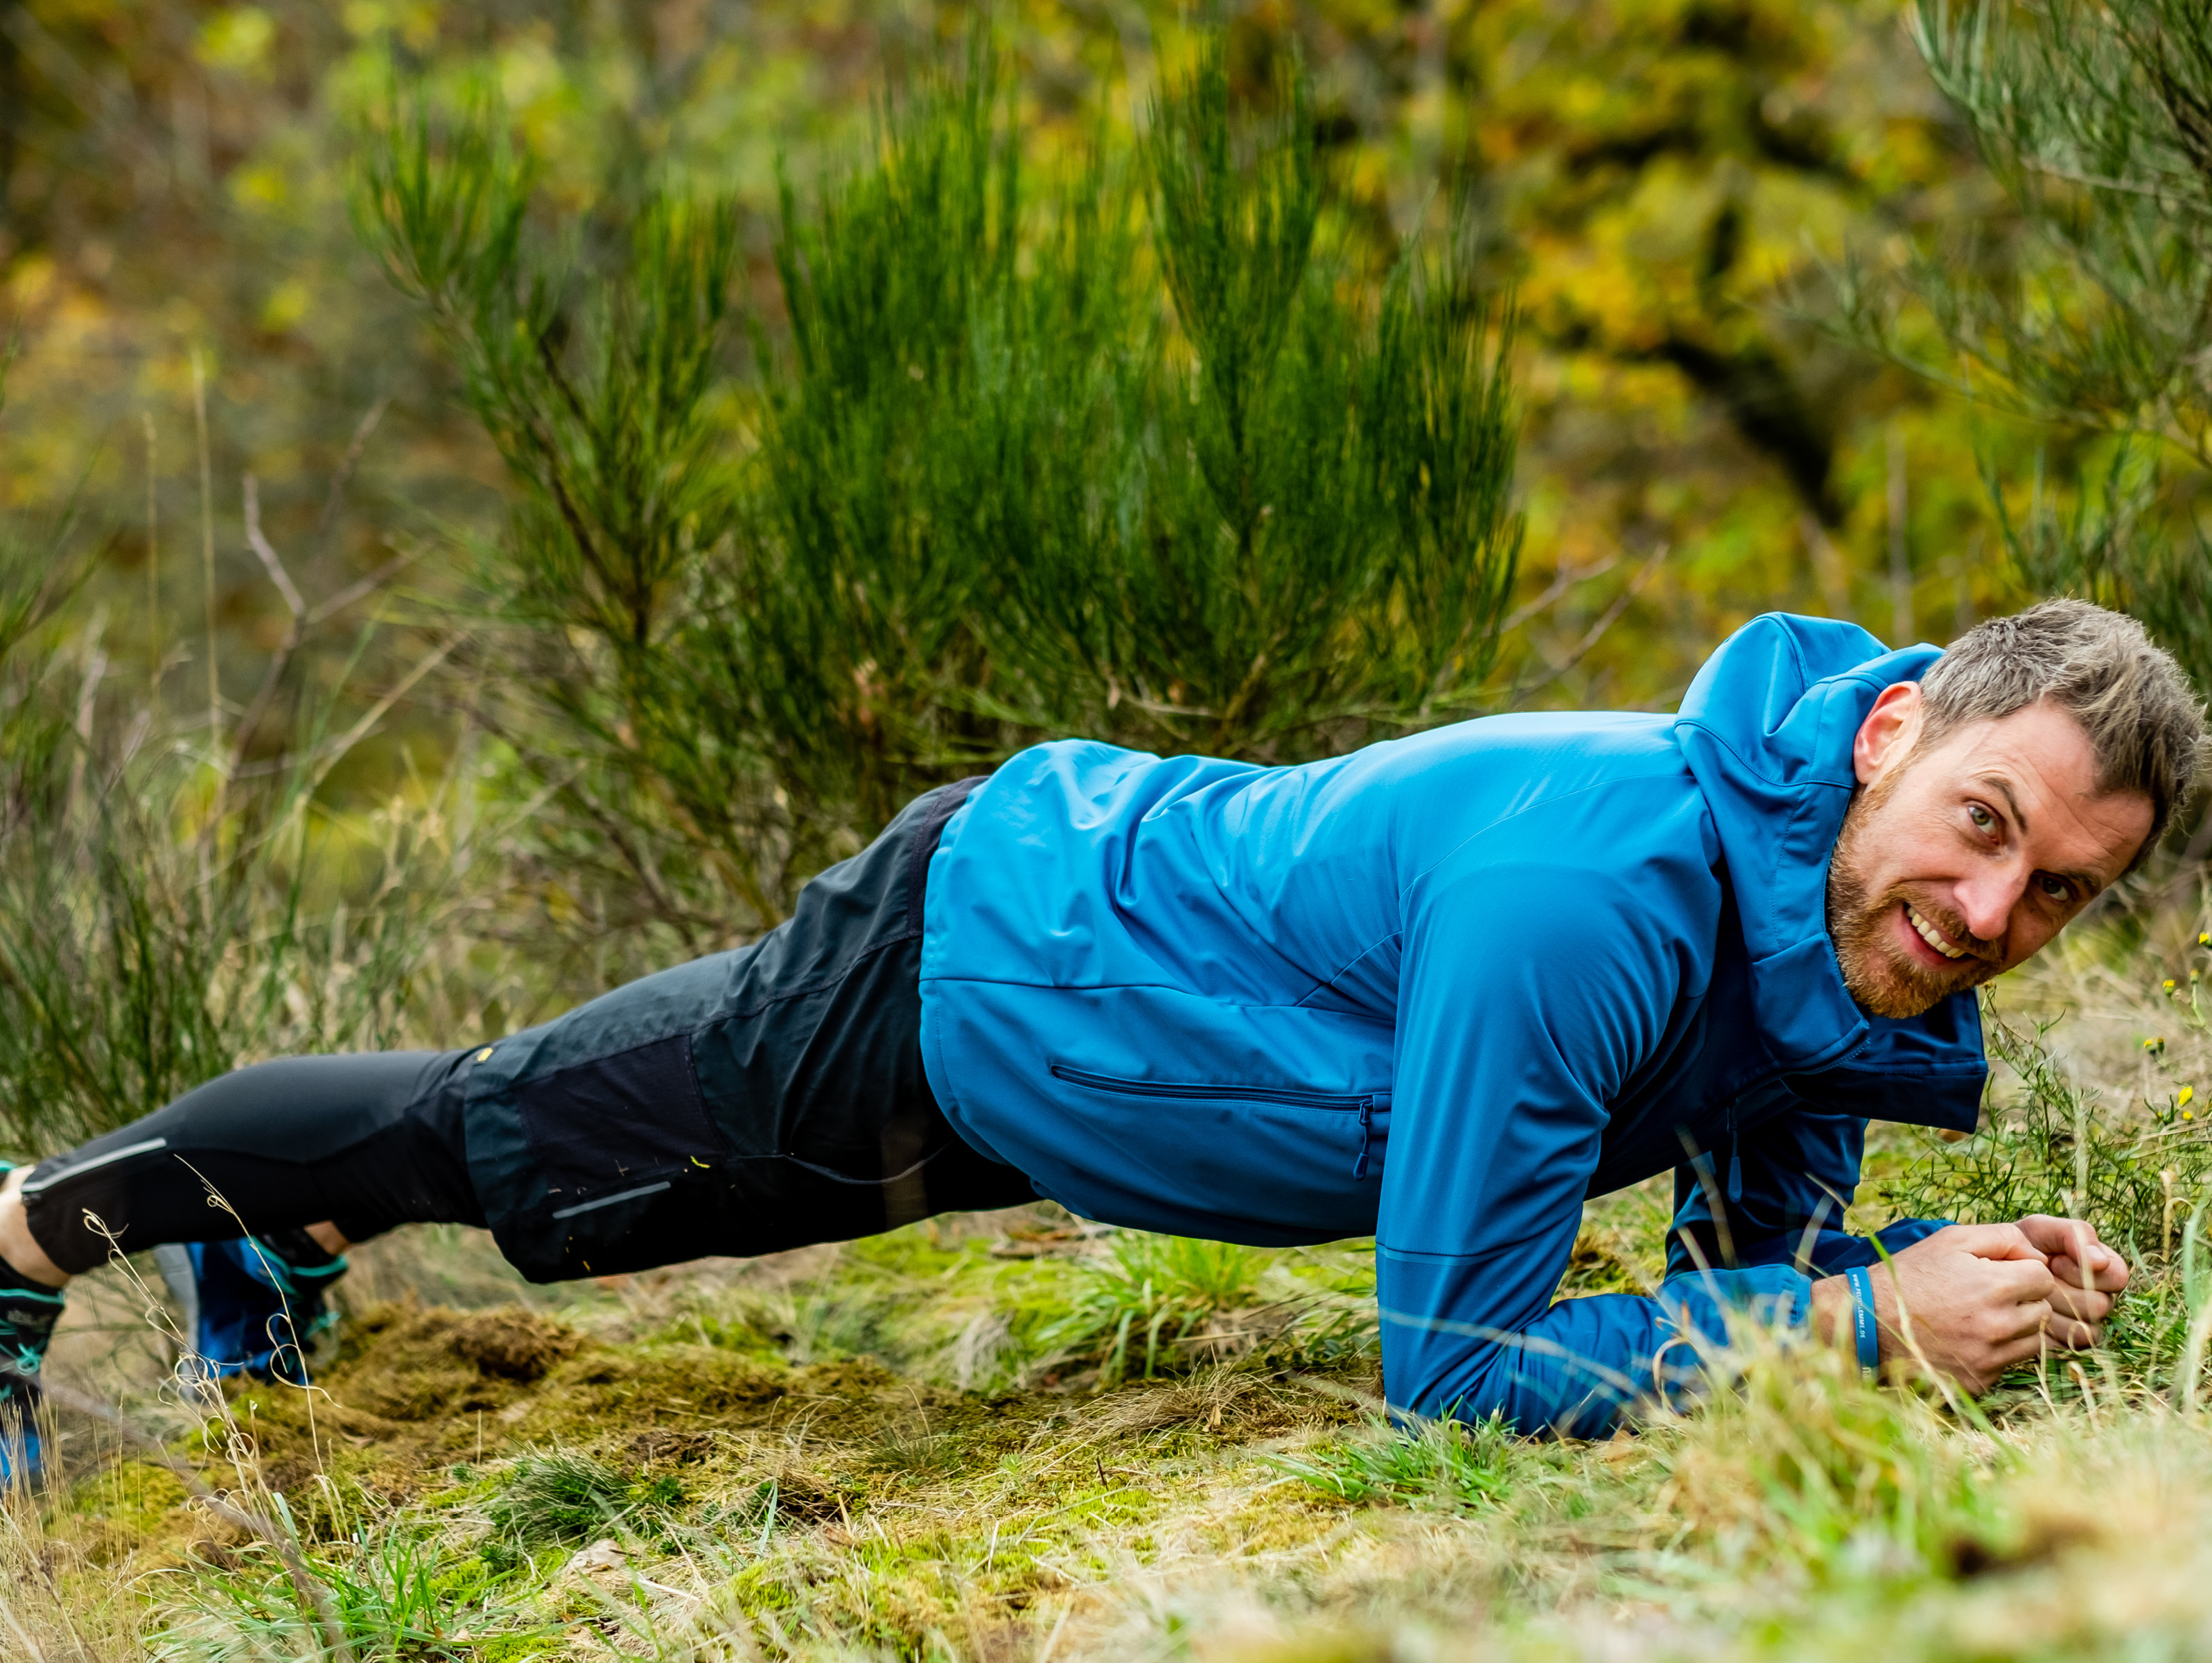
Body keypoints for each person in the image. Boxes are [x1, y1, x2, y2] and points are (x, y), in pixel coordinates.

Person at [0, 601, 2200, 1455]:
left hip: (1106, 1079)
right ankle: (24, 1248)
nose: (1991, 912)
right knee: (499, 1156)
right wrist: (1854, 1326)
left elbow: (1747, 1239)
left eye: (2059, 895)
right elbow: (1455, 1375)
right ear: (1894, 730)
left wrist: (1927, 1298)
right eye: (1982, 824)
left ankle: (263, 1245)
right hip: (990, 966)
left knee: (558, 1210)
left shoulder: (1830, 925)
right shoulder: (1597, 893)